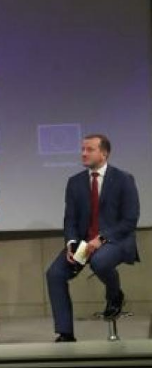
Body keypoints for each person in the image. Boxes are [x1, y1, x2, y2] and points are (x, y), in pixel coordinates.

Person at [46, 134, 139, 342]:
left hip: (115, 240)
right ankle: (65, 333)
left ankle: (115, 295)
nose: (83, 153)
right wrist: (71, 244)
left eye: (89, 149)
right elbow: (70, 219)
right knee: (55, 274)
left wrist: (102, 238)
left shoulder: (123, 179)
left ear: (104, 153)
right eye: (82, 149)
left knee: (99, 261)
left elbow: (130, 220)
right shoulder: (75, 182)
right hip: (85, 244)